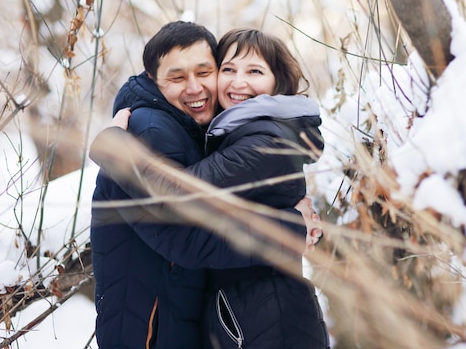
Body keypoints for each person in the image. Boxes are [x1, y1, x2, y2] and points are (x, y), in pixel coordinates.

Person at [91, 28, 330, 348]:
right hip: (188, 324)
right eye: (229, 70)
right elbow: (188, 229)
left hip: (269, 321)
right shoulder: (178, 130)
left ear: (278, 81)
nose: (237, 82)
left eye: (205, 72)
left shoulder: (261, 140)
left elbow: (183, 198)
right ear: (153, 78)